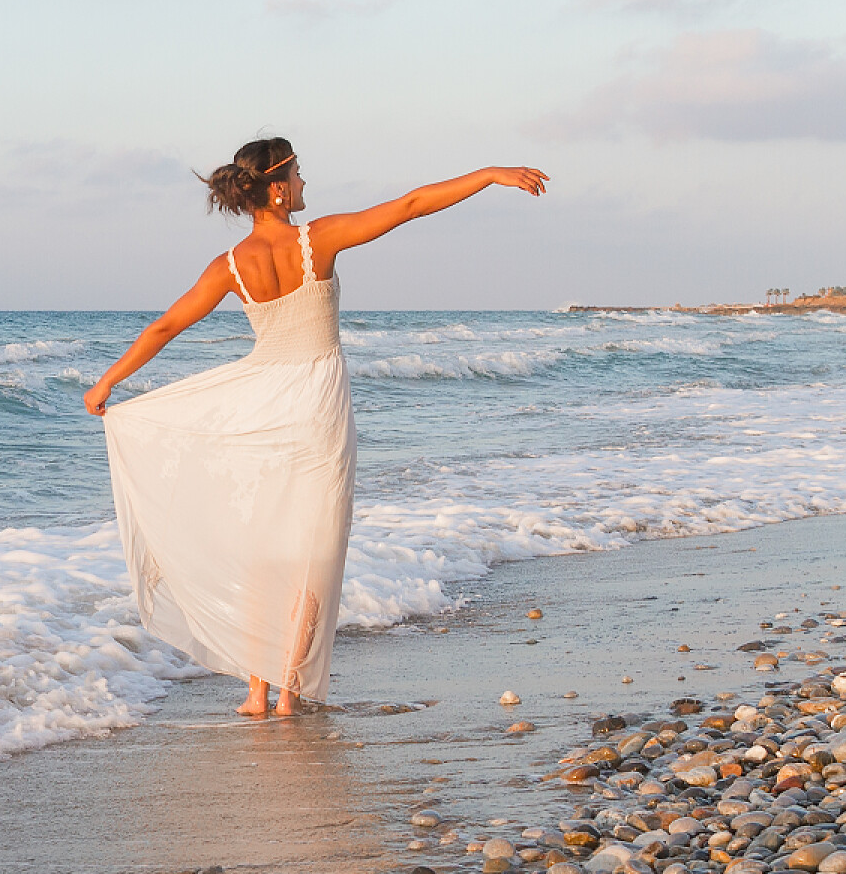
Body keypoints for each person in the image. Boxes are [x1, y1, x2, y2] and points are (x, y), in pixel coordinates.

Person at [83, 138, 548, 717]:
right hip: (316, 409)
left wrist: (107, 383)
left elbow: (163, 327)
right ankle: (288, 694)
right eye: (299, 176)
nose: (306, 185)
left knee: (264, 547)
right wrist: (489, 174)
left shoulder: (229, 265)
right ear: (277, 188)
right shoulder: (316, 239)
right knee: (314, 550)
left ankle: (256, 693)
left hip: (261, 407)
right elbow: (408, 207)